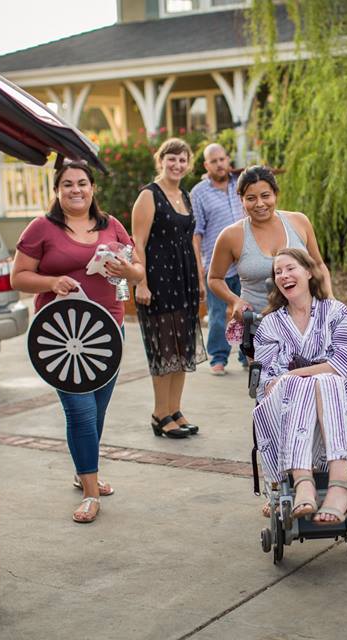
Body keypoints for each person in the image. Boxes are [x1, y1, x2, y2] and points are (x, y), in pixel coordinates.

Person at [11, 159, 144, 523]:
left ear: (92, 188)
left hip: (107, 331)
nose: (76, 190)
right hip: (60, 336)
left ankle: (83, 470)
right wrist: (51, 282)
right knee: (80, 411)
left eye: (82, 183)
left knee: (97, 411)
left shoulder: (111, 226)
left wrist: (126, 270)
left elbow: (136, 272)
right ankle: (90, 492)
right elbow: (18, 277)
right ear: (57, 190)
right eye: (67, 184)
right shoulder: (41, 228)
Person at [253, 248, 347, 524]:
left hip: (333, 397)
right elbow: (267, 381)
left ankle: (329, 484)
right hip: (285, 403)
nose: (284, 275)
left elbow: (343, 363)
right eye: (278, 272)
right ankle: (309, 482)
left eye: (290, 268)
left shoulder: (335, 312)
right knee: (303, 384)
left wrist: (296, 374)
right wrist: (298, 379)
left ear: (308, 272)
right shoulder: (270, 325)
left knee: (324, 381)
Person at [131, 138, 207, 440]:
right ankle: (159, 413)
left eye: (182, 159)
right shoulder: (149, 195)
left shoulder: (185, 195)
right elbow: (137, 242)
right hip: (158, 279)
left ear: (188, 164)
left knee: (181, 348)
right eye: (171, 159)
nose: (177, 165)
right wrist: (141, 283)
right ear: (160, 160)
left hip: (184, 278)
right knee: (163, 349)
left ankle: (174, 409)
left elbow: (192, 240)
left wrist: (199, 279)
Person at [208, 165, 332, 325]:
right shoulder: (231, 235)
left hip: (307, 323)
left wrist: (329, 296)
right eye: (251, 198)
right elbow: (214, 278)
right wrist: (235, 301)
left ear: (275, 194)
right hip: (258, 326)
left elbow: (319, 265)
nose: (260, 204)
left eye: (265, 196)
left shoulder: (299, 222)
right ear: (241, 200)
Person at [191, 143, 246, 376]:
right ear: (206, 165)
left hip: (244, 262)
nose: (219, 164)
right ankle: (218, 357)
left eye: (222, 159)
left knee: (247, 311)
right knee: (217, 315)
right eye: (214, 161)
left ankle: (247, 354)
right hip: (217, 266)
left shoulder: (241, 184)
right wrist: (199, 270)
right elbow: (196, 234)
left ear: (227, 159)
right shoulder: (198, 193)